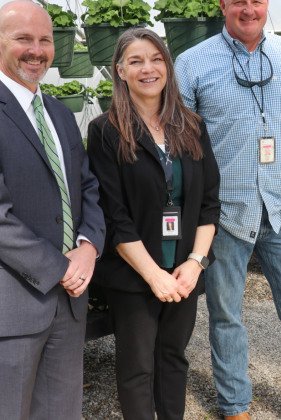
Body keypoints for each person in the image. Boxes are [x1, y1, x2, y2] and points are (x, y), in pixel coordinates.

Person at [175, 0, 281, 420]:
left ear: (267, 5)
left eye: (256, 1)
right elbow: (179, 140)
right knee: (226, 314)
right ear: (223, 6)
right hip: (223, 213)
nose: (248, 10)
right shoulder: (192, 62)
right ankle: (235, 406)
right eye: (239, 2)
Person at [0, 0, 105, 420]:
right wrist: (63, 268)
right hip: (13, 297)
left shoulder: (61, 114)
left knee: (62, 412)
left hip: (69, 300)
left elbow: (87, 187)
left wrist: (88, 246)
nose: (36, 50)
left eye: (45, 40)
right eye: (24, 39)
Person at [86, 28, 220, 420]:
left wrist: (195, 263)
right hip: (134, 275)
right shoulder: (106, 132)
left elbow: (209, 203)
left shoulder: (192, 126)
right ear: (120, 71)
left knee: (173, 357)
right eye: (136, 61)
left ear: (168, 66)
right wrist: (153, 276)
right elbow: (114, 215)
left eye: (156, 59)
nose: (148, 69)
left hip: (184, 272)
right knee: (137, 367)